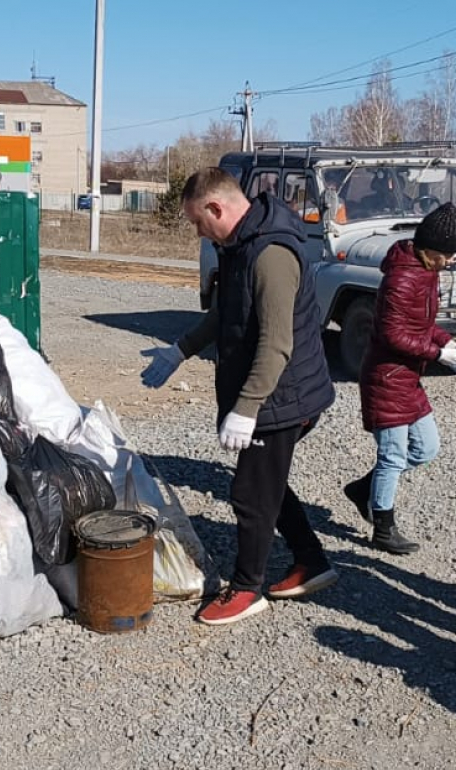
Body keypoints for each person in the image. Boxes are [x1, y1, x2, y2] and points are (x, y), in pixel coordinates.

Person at [141, 167, 337, 626]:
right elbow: (228, 314)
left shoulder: (269, 253)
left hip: (281, 396)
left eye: (197, 222)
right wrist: (180, 351)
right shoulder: (240, 245)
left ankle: (248, 589)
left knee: (249, 494)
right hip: (270, 391)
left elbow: (276, 343)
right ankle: (312, 561)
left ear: (217, 208)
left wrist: (246, 409)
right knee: (266, 483)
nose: (198, 232)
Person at [342, 202, 456, 554]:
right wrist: (437, 354)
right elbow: (392, 335)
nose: (449, 262)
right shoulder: (401, 279)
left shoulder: (426, 271)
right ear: (427, 248)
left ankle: (364, 490)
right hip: (386, 378)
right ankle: (383, 528)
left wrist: (449, 342)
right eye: (445, 255)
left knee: (426, 448)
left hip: (407, 378)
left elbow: (423, 326)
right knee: (392, 456)